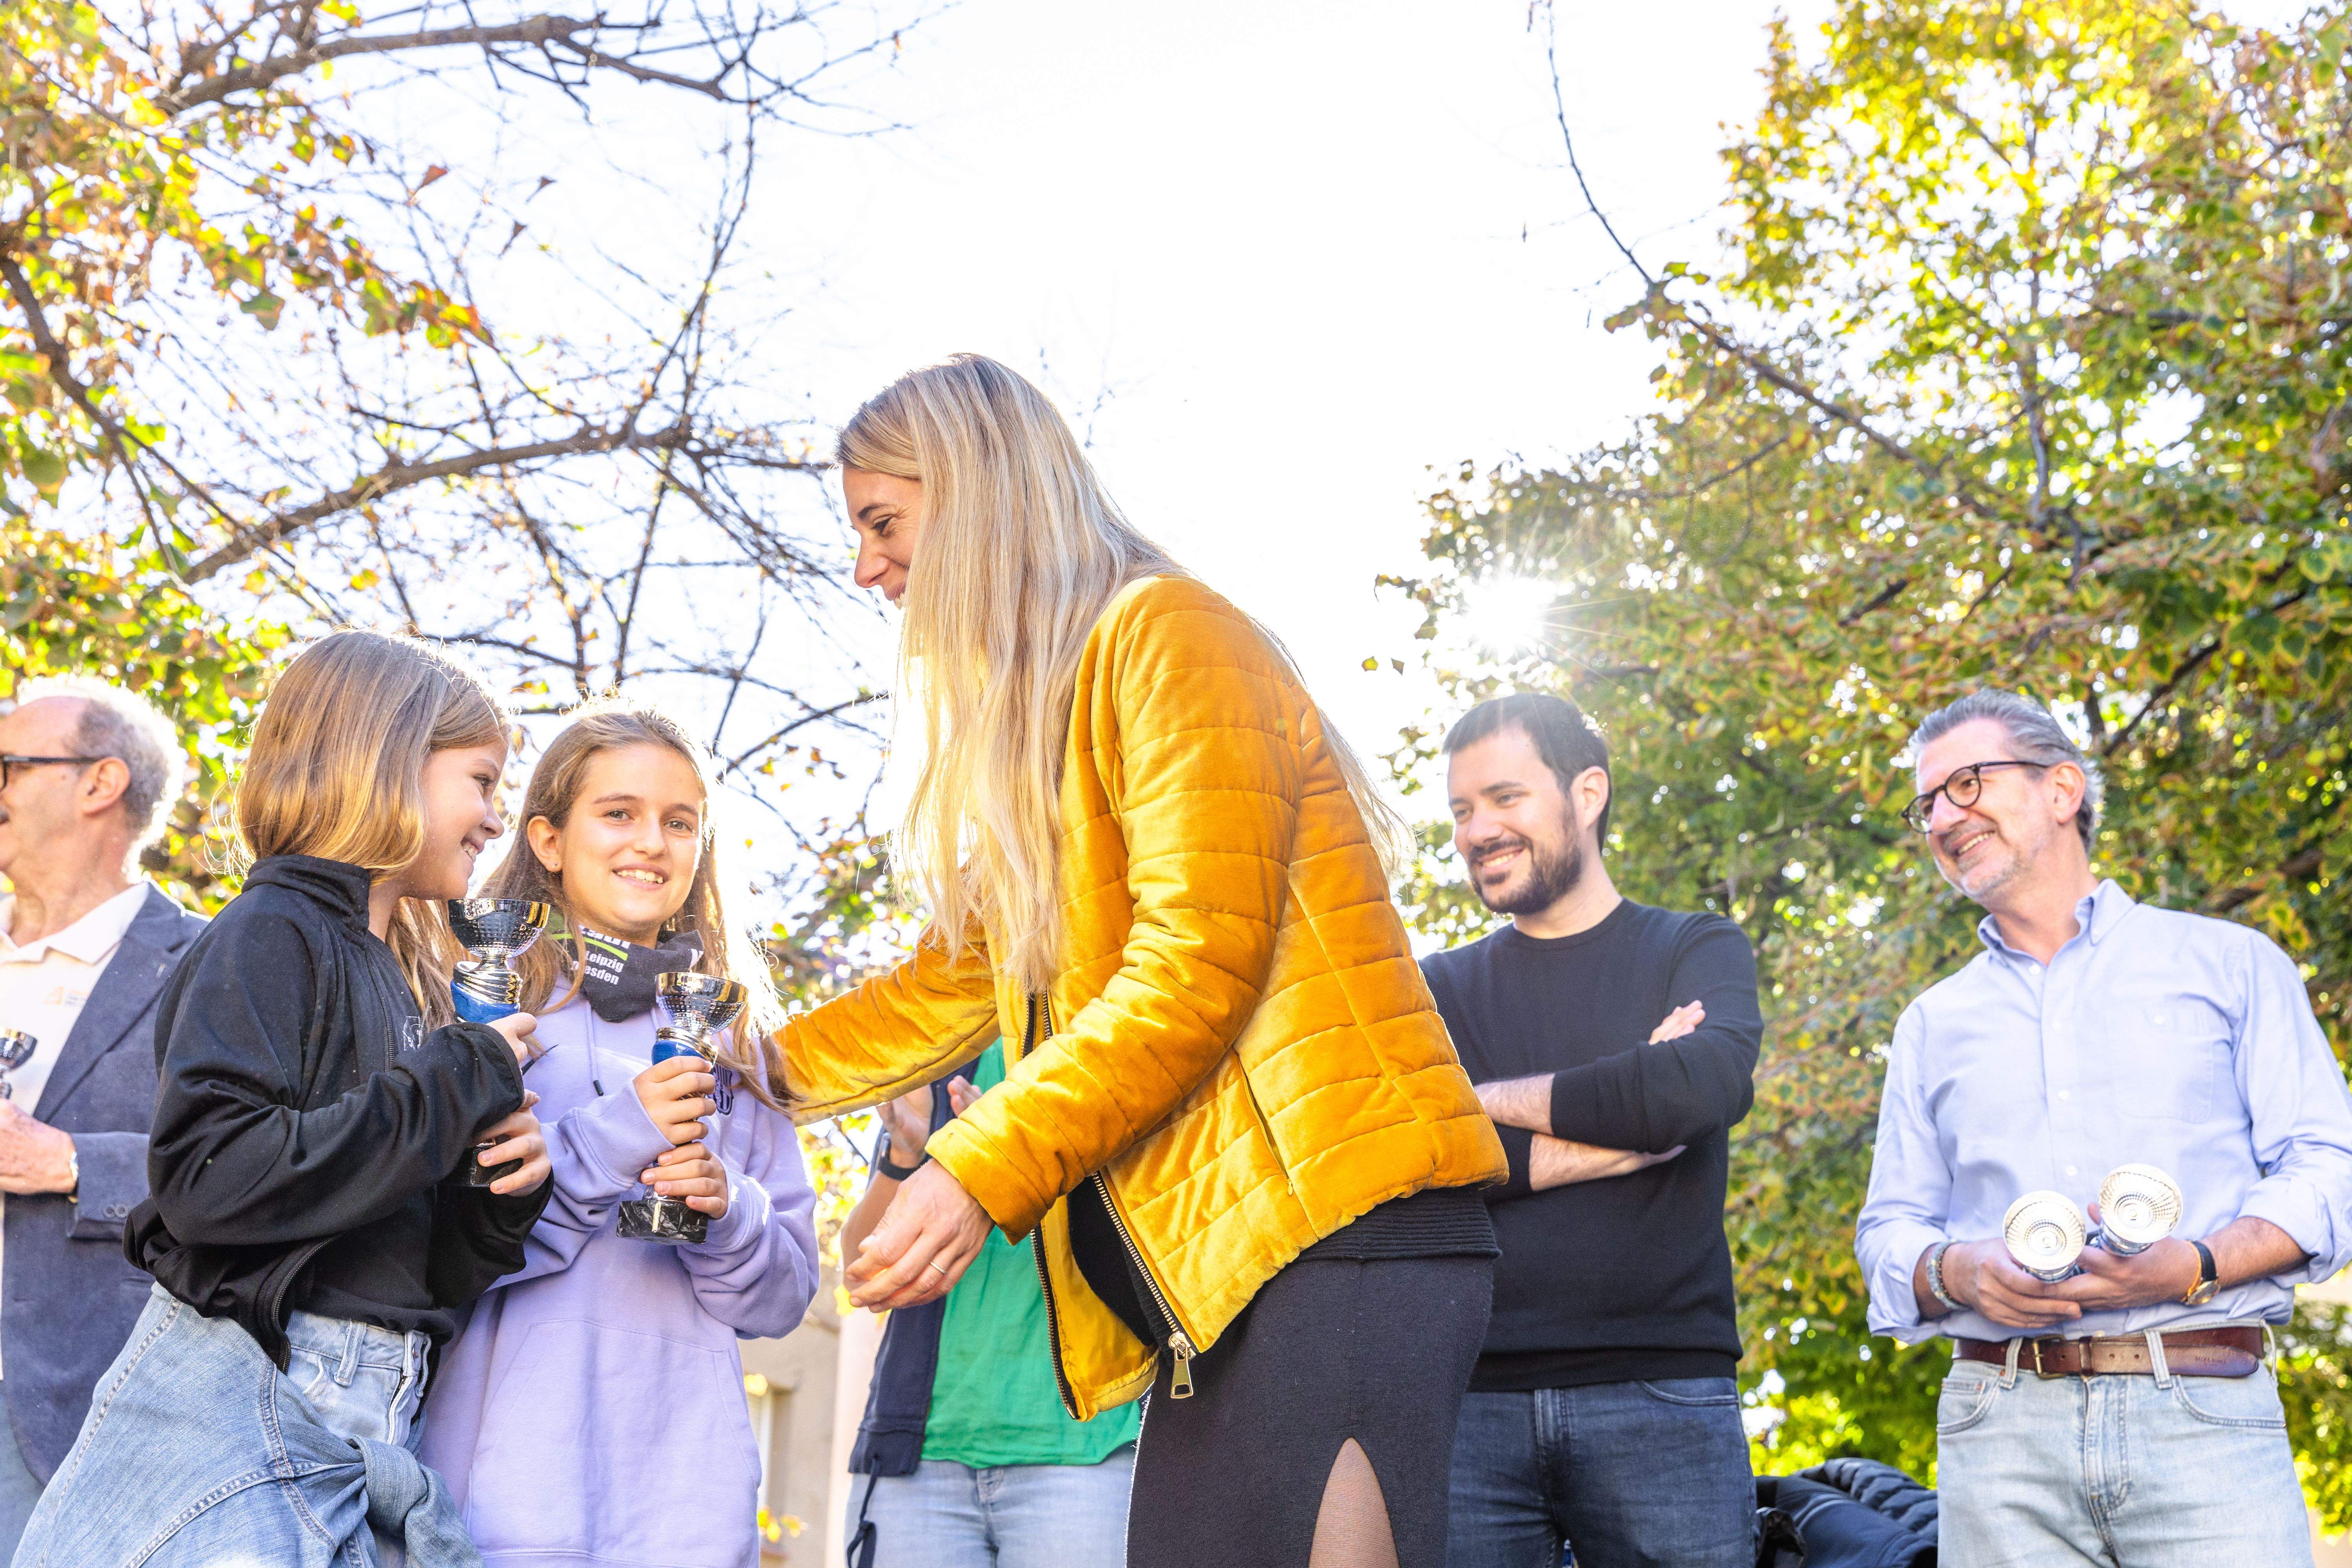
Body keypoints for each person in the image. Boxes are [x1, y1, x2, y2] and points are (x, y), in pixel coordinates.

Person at [773, 354, 1507, 1568]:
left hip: (1343, 1242)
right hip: (1223, 1276)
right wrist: (749, 1064)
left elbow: (1190, 973)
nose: (868, 567)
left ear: (977, 494)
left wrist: (974, 1166)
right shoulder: (1062, 710)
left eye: (885, 523)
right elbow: (957, 980)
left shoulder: (1168, 633)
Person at [15, 631, 555, 1568]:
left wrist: (493, 1193)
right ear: (388, 764)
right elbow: (207, 1179)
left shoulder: (404, 975)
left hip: (376, 1397)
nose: (494, 814)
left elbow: (409, 1257)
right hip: (274, 1383)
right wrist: (452, 1078)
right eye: (481, 779)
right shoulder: (271, 930)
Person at [1855, 688, 2352, 1566]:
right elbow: (1890, 1231)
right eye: (1926, 802)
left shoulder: (2230, 963)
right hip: (1999, 1427)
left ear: (2063, 789)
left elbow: (2329, 1166)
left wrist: (2198, 1262)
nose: (1941, 816)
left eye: (1967, 782)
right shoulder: (1932, 1022)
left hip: (2207, 1412)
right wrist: (1959, 1267)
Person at [418, 701, 821, 1568]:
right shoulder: (479, 1010)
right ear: (550, 840)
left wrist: (728, 1211)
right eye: (619, 813)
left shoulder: (736, 1048)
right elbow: (443, 1251)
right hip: (497, 1506)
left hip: (685, 1512)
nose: (652, 841)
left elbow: (782, 1298)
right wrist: (618, 1132)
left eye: (680, 822)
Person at [1426, 692, 1764, 1568]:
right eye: (1462, 810)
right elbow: (1414, 1153)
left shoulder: (1697, 946)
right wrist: (1628, 1119)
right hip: (1468, 1403)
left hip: (1665, 1390)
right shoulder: (1434, 991)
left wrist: (1482, 1099)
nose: (1477, 829)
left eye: (1505, 797)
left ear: (1588, 792)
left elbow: (1699, 1087)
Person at [0, 679, 207, 1558]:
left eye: (8, 765)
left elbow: (258, 1170)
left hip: (70, 1421)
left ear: (100, 782)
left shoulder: (207, 961)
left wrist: (72, 1161)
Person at [839, 1058, 1140, 1568]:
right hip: (917, 1464)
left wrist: (1020, 1167)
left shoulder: (1115, 1045)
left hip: (1086, 1455)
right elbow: (861, 1272)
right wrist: (906, 1154)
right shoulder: (941, 1061)